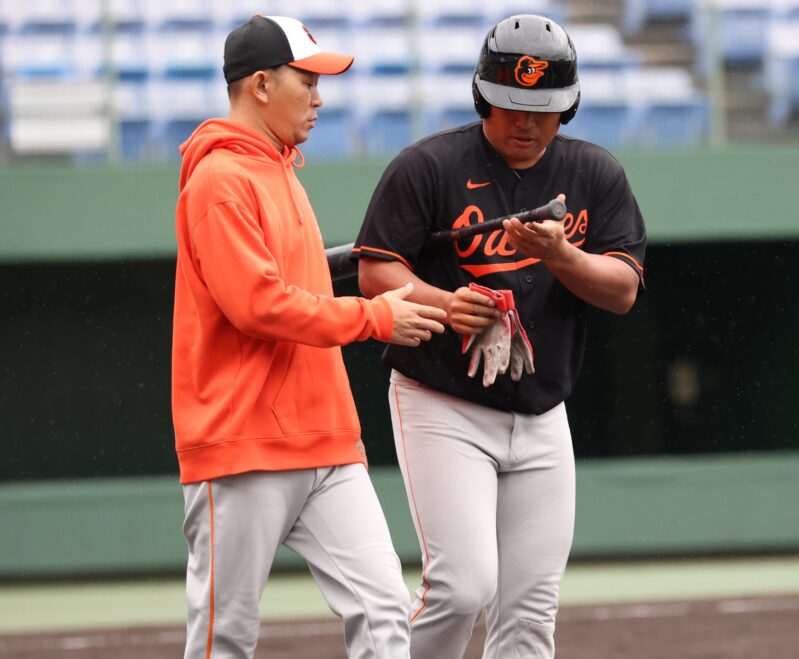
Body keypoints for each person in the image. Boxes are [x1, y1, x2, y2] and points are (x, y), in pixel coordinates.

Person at [354, 14, 647, 659]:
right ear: (483, 97)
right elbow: (376, 271)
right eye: (511, 105)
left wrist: (561, 255)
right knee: (463, 587)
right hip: (443, 401)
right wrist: (444, 303)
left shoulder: (595, 173)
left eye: (542, 109)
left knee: (530, 610)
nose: (526, 122)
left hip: (543, 413)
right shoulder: (429, 165)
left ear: (567, 107)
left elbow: (622, 289)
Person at [171, 15, 447, 659]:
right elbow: (258, 306)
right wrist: (374, 316)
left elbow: (283, 286)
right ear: (261, 85)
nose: (319, 98)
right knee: (224, 638)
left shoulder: (281, 170)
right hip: (242, 443)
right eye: (308, 81)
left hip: (325, 438)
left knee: (384, 610)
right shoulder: (219, 179)